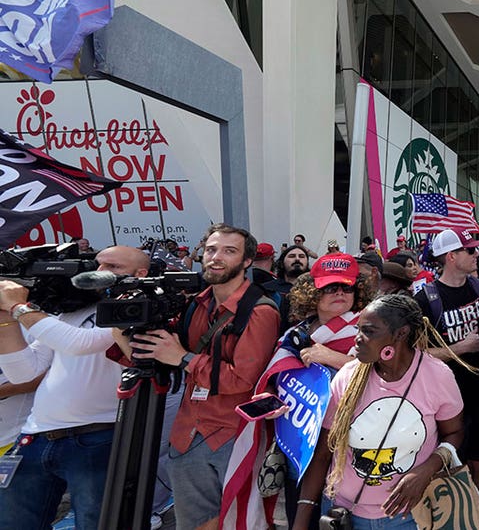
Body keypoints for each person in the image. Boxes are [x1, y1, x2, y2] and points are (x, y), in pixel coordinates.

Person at [128, 223, 281, 530]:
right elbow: (159, 353)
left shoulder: (260, 312)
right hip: (188, 432)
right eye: (211, 249)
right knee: (195, 523)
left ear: (247, 261)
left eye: (229, 251)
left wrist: (183, 359)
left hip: (232, 436)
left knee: (240, 522)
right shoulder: (196, 303)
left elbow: (242, 380)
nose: (216, 257)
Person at [0, 245, 150, 530]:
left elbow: (78, 344)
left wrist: (20, 308)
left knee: (97, 524)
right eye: (98, 264)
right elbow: (24, 371)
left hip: (97, 435)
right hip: (36, 434)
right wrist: (5, 319)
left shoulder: (134, 307)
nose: (100, 272)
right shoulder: (69, 311)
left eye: (113, 267)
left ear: (139, 273)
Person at [294, 294, 466, 530]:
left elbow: (454, 433)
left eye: (369, 331)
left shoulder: (437, 376)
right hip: (343, 515)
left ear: (400, 334)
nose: (357, 340)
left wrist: (427, 469)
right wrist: (301, 520)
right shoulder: (348, 376)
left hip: (408, 517)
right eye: (358, 330)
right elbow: (323, 453)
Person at [280, 253, 375, 528]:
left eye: (347, 287)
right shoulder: (296, 332)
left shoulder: (369, 327)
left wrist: (331, 358)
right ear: (313, 291)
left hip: (347, 445)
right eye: (330, 287)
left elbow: (384, 371)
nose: (340, 293)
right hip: (300, 440)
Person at [413, 228, 479, 503]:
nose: (477, 254)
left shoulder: (478, 288)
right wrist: (460, 348)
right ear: (451, 257)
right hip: (446, 399)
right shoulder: (426, 300)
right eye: (470, 250)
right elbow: (415, 354)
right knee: (452, 467)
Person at [264, 243, 312, 328]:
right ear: (282, 263)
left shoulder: (314, 289)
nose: (297, 259)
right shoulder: (267, 289)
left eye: (301, 256)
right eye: (292, 256)